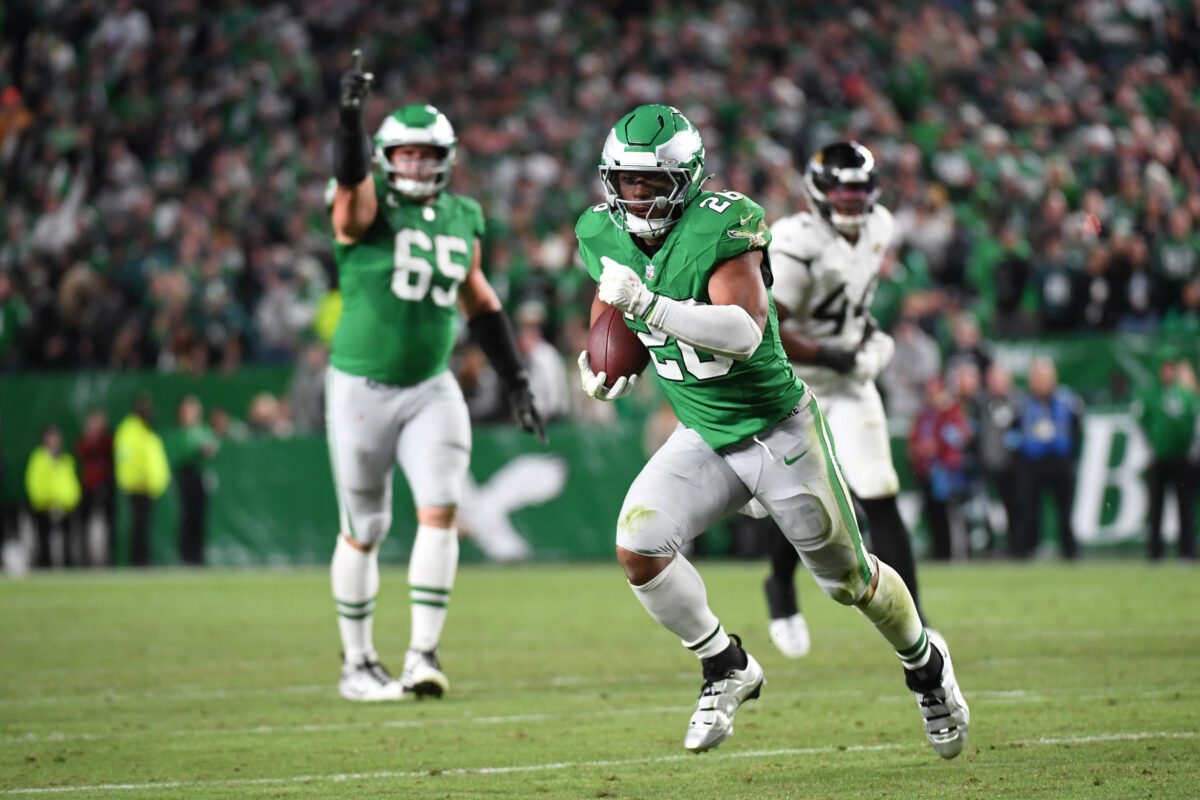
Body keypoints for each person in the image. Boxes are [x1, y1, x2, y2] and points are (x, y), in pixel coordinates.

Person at [575, 105, 967, 757]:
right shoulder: (600, 230)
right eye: (624, 181)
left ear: (686, 179)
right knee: (639, 546)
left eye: (649, 182)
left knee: (849, 582)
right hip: (703, 431)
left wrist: (648, 307)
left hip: (777, 430)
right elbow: (610, 302)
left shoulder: (724, 225)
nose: (634, 196)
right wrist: (599, 362)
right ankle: (724, 664)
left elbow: (741, 331)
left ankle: (926, 665)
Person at [327, 51, 545, 702]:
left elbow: (479, 299)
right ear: (386, 159)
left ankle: (423, 653)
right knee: (364, 528)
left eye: (427, 154)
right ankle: (357, 663)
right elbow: (348, 188)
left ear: (445, 158)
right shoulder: (365, 206)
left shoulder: (463, 215)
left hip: (431, 386)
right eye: (406, 155)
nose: (417, 165)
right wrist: (349, 122)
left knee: (441, 512)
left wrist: (516, 380)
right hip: (361, 388)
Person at [764, 141, 930, 657]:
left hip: (850, 381)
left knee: (879, 493)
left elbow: (852, 302)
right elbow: (766, 322)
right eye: (842, 188)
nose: (852, 198)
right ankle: (781, 587)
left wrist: (867, 336)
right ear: (819, 190)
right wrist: (830, 355)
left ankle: (918, 624)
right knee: (803, 500)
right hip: (800, 383)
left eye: (860, 188)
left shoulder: (880, 227)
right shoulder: (797, 240)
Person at [1009, 356, 1084, 560]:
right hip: (1031, 462)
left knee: (1065, 509)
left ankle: (1070, 550)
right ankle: (1024, 551)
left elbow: (1077, 429)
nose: (1041, 381)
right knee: (1027, 509)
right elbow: (1012, 432)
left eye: (1045, 376)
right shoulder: (1021, 403)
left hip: (1059, 461)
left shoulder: (1068, 400)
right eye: (1037, 376)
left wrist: (1071, 457)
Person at [1131, 356, 1198, 561]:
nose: (1168, 373)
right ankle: (1155, 552)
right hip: (1158, 459)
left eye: (1171, 369)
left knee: (1185, 506)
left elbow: (1194, 425)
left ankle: (1186, 550)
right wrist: (1146, 452)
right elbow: (1139, 424)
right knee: (1156, 507)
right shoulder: (1149, 396)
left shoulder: (1187, 396)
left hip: (1182, 458)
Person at [113, 394, 170, 566]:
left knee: (144, 525)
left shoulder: (144, 429)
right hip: (137, 485)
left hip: (148, 486)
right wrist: (138, 478)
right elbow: (126, 458)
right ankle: (138, 559)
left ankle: (142, 558)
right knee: (138, 525)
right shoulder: (130, 429)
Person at [164, 395, 220, 566]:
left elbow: (214, 448)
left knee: (199, 518)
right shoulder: (178, 434)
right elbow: (175, 456)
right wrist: (196, 452)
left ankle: (198, 557)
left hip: (200, 480)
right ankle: (185, 557)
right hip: (185, 479)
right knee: (186, 518)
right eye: (187, 410)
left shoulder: (204, 430)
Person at [24, 425, 82, 568]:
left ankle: (69, 566)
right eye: (52, 437)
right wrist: (47, 501)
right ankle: (45, 566)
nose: (55, 440)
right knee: (44, 538)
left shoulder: (66, 459)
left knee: (68, 538)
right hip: (44, 505)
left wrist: (70, 501)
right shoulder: (38, 458)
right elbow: (34, 482)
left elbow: (71, 483)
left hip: (64, 506)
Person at [76, 408, 115, 565]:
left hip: (105, 486)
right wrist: (90, 436)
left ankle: (107, 557)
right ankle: (85, 558)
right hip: (89, 486)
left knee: (107, 524)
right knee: (86, 524)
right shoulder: (85, 440)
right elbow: (81, 451)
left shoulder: (107, 440)